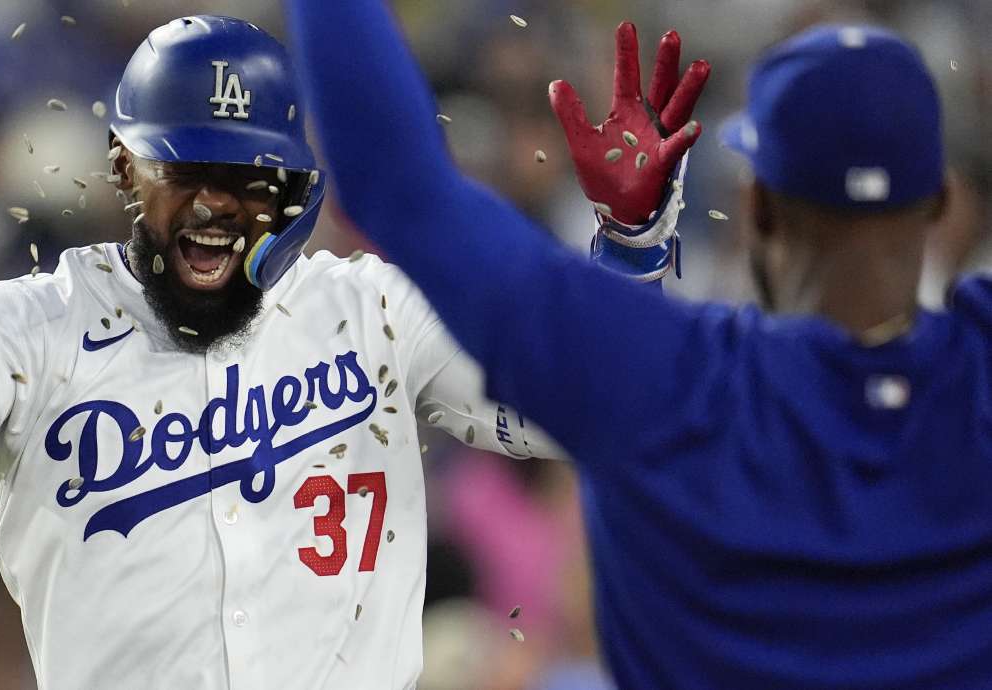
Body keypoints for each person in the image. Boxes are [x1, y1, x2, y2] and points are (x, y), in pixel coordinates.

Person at [0, 15, 597, 689]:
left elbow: (583, 411)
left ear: (293, 191)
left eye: (249, 177)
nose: (215, 202)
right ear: (125, 169)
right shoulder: (29, 328)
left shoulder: (376, 310)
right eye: (184, 170)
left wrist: (629, 251)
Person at [285, 2, 992, 688]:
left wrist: (629, 247)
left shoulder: (664, 382)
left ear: (757, 207)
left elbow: (397, 187)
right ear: (939, 202)